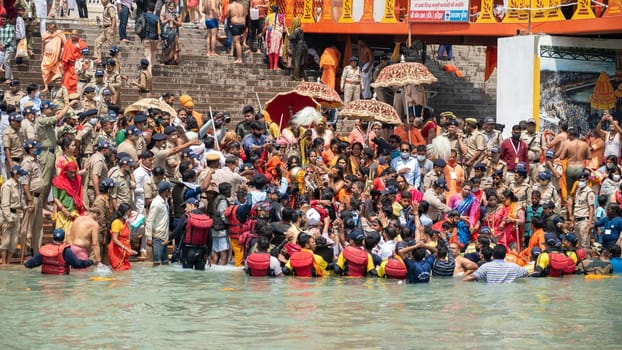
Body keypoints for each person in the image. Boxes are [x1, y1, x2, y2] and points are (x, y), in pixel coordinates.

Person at [24, 228, 94, 274]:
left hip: (45, 281)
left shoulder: (45, 249)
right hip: (61, 281)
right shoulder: (66, 251)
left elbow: (30, 264)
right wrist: (90, 262)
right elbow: (78, 264)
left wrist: (26, 263)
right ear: (63, 238)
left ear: (53, 236)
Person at [1, 165, 27, 264]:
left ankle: (9, 261)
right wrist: (9, 219)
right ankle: (4, 262)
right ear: (15, 174)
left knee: (14, 241)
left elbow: (21, 201)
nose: (21, 176)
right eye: (19, 174)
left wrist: (26, 207)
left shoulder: (19, 185)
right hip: (8, 216)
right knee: (6, 241)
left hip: (16, 214)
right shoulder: (7, 185)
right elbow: (5, 204)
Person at [463, 245, 528, 283]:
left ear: (493, 255)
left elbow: (471, 277)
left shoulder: (486, 267)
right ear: (505, 255)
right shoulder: (514, 267)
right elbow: (526, 273)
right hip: (508, 297)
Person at [146, 181, 173, 267]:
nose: (171, 191)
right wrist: (149, 238)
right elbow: (149, 221)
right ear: (166, 191)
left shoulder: (165, 201)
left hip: (164, 236)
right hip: (157, 238)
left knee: (165, 263)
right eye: (170, 190)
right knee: (157, 263)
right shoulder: (156, 203)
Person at [108, 203, 137, 270]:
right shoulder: (116, 222)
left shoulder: (125, 222)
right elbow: (114, 239)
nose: (130, 213)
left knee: (125, 273)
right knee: (118, 272)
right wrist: (126, 249)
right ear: (124, 212)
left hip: (124, 251)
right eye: (129, 211)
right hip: (116, 251)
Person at [40, 21, 65, 94]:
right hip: (46, 56)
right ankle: (46, 87)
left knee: (57, 71)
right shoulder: (45, 35)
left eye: (52, 28)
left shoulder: (60, 34)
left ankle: (59, 87)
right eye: (49, 28)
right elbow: (43, 45)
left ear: (55, 28)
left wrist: (61, 55)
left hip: (56, 57)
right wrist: (41, 54)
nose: (51, 29)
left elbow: (63, 45)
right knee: (44, 71)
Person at [61, 30, 86, 94]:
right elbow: (64, 56)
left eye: (75, 34)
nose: (73, 36)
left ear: (78, 35)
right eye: (72, 34)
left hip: (78, 67)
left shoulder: (82, 44)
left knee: (76, 84)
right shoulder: (68, 43)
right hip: (69, 67)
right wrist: (63, 68)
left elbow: (85, 56)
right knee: (66, 83)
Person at [263, 5, 285, 71]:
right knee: (276, 49)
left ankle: (271, 66)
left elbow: (265, 27)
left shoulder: (268, 16)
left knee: (270, 49)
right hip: (278, 34)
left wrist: (261, 33)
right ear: (278, 10)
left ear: (272, 10)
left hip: (270, 33)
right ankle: (275, 66)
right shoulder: (281, 16)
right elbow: (284, 27)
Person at [160, 1, 181, 65]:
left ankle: (173, 60)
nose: (171, 8)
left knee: (174, 46)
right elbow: (161, 23)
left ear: (174, 7)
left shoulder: (177, 14)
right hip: (166, 32)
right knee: (165, 47)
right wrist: (167, 20)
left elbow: (180, 24)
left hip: (174, 31)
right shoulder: (164, 13)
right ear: (168, 6)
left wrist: (173, 20)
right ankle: (164, 60)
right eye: (170, 6)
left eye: (172, 6)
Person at [0, 13, 16, 83]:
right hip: (2, 48)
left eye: (3, 19)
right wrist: (1, 45)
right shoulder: (0, 28)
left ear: (7, 19)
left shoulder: (11, 27)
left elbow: (11, 37)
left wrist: (4, 45)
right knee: (7, 62)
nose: (2, 21)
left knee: (6, 61)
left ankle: (8, 78)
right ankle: (11, 77)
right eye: (1, 19)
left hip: (9, 47)